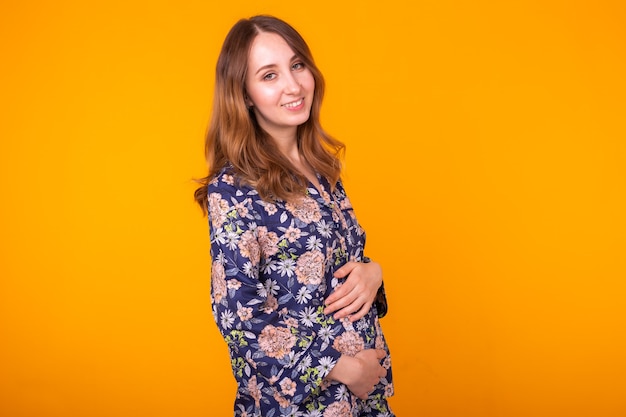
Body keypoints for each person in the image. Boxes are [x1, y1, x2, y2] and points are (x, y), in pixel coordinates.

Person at [194, 15, 394, 417]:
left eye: (297, 65)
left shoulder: (321, 168)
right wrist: (344, 369)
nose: (293, 85)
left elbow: (330, 269)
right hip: (302, 406)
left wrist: (374, 273)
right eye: (269, 75)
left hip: (361, 400)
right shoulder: (233, 189)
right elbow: (237, 313)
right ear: (244, 93)